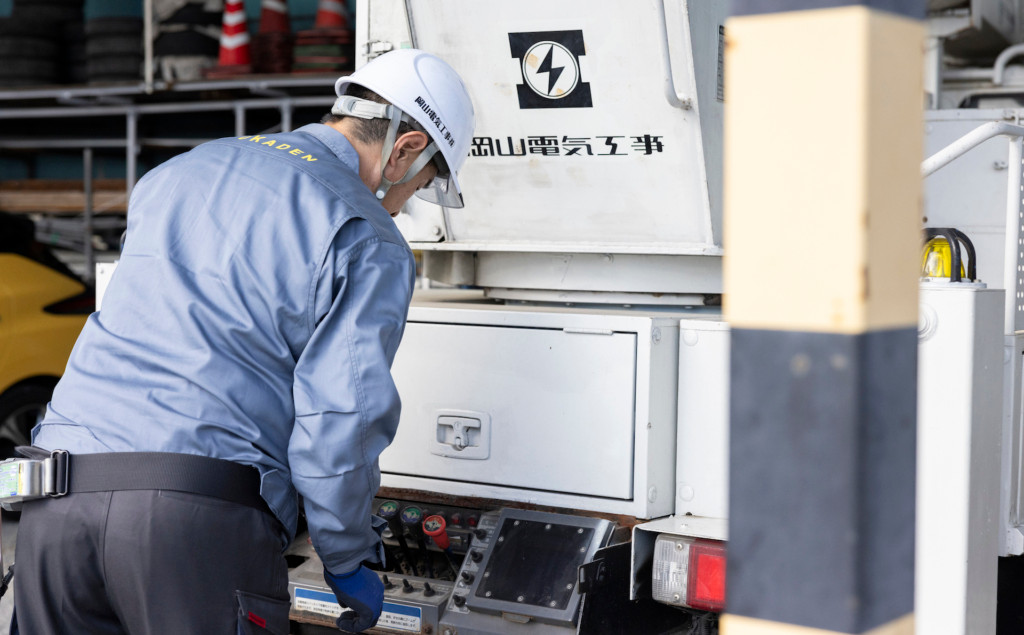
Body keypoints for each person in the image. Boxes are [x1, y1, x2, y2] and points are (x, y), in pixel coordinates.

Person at [12, 48, 474, 634]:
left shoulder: (181, 170)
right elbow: (341, 418)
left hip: (55, 498)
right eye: (421, 186)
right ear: (405, 149)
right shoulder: (365, 232)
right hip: (191, 521)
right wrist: (345, 555)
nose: (404, 209)